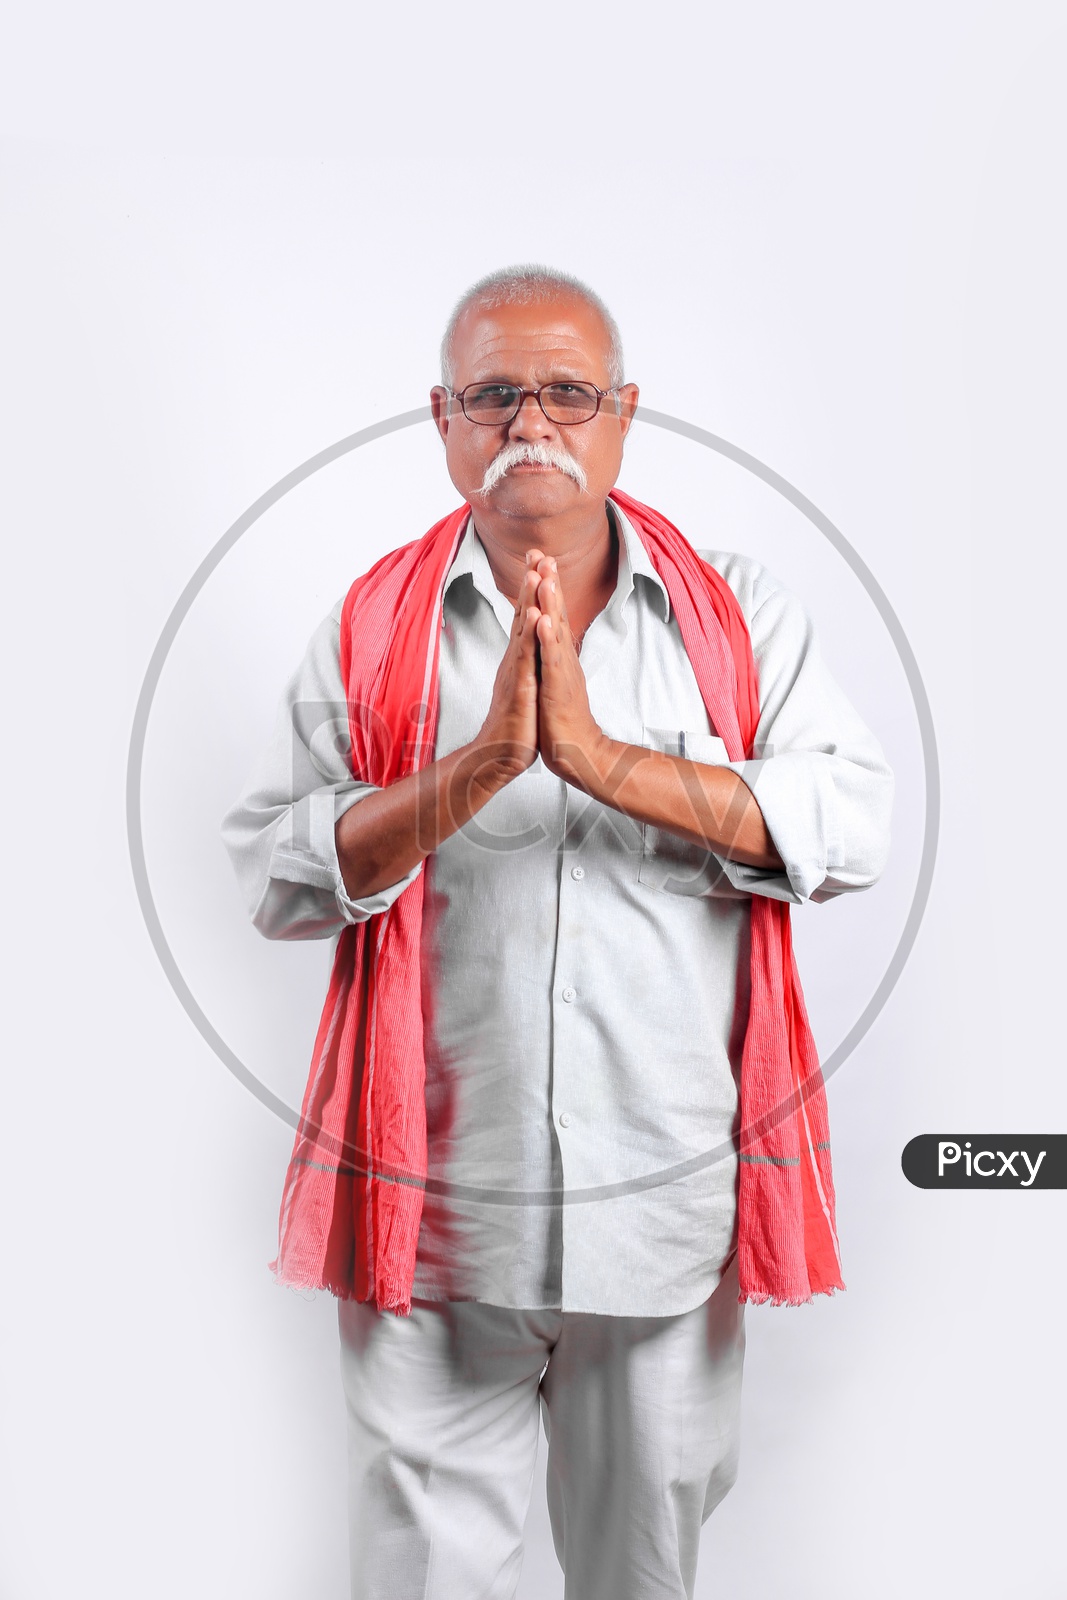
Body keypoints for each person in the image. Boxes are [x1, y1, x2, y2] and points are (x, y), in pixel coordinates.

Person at [222, 264, 893, 1600]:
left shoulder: (739, 619)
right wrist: (470, 774)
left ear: (625, 414)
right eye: (495, 392)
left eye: (568, 391)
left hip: (661, 1221)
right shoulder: (370, 628)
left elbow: (851, 825)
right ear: (445, 420)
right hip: (431, 1230)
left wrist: (600, 758)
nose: (533, 419)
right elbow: (274, 870)